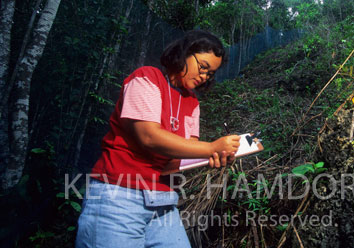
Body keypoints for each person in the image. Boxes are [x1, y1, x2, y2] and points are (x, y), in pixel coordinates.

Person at [75, 30, 240, 248]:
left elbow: (175, 160)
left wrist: (213, 156)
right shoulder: (146, 78)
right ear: (185, 53)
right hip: (118, 193)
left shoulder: (192, 103)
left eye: (210, 74)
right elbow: (148, 137)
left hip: (162, 200)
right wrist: (210, 147)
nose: (204, 77)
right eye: (203, 67)